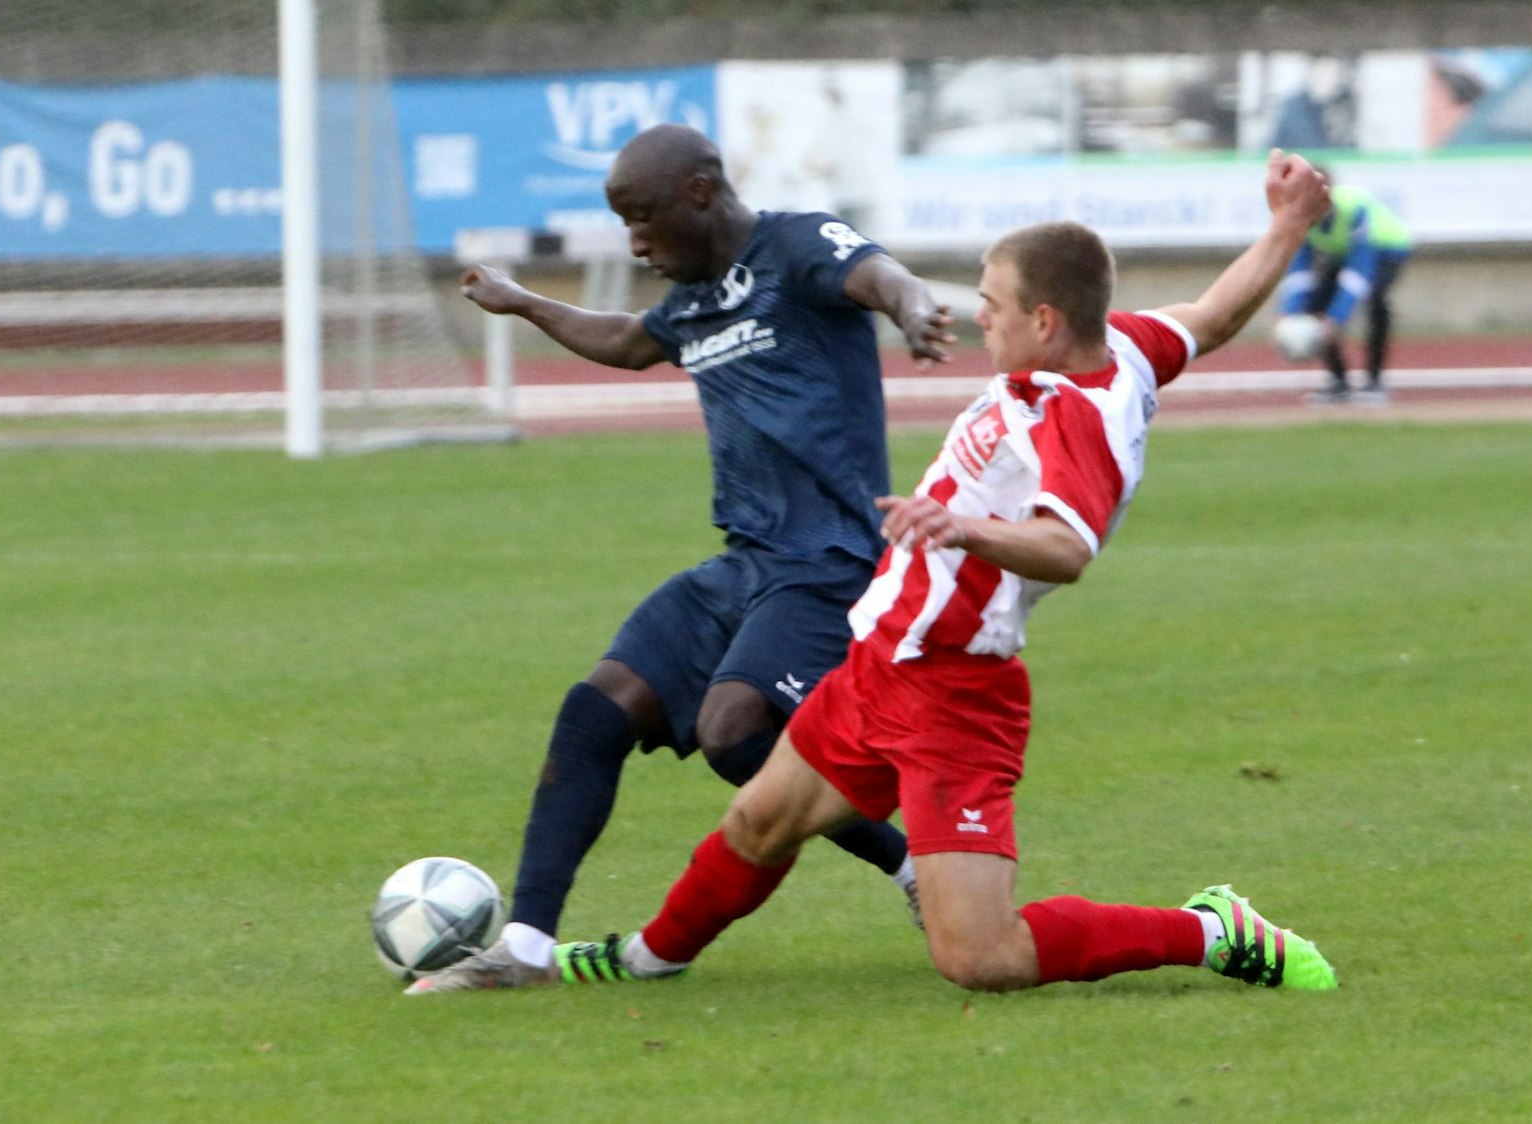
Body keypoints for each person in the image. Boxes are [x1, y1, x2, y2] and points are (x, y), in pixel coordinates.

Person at [410, 148, 1339, 997]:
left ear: (1044, 322)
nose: (979, 317)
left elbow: (1068, 549)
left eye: (992, 304)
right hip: (880, 655)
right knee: (757, 824)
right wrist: (1287, 226)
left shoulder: (1072, 417)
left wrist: (961, 525)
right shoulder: (1126, 344)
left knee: (980, 959)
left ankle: (1209, 929)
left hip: (953, 689)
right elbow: (1211, 318)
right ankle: (639, 960)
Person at [418, 123, 958, 989]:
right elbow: (628, 340)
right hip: (744, 565)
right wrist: (524, 303)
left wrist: (910, 307)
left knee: (733, 730)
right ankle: (522, 949)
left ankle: (912, 867)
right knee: (596, 710)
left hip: (830, 563)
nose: (634, 240)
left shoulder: (794, 245)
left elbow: (878, 273)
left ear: (699, 192)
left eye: (641, 216)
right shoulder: (694, 301)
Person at [1277, 179, 1413, 407]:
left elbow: (1359, 272)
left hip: (1387, 251)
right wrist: (1289, 311)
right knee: (1314, 306)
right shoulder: (1300, 216)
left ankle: (1374, 381)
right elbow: (1299, 270)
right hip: (1343, 254)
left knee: (1376, 303)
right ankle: (1339, 381)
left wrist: (1335, 318)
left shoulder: (1353, 212)